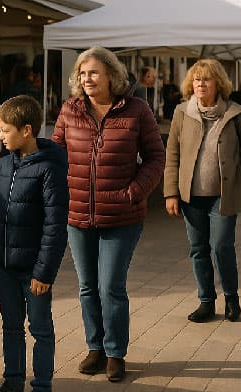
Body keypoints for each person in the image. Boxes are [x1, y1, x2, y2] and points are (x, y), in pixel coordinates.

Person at [51, 46, 165, 383]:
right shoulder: (70, 110)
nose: (87, 79)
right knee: (87, 286)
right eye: (82, 74)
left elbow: (156, 157)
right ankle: (95, 348)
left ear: (112, 75)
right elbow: (55, 154)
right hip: (77, 214)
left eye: (94, 73)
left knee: (110, 286)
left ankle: (115, 352)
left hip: (122, 215)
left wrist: (135, 192)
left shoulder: (136, 110)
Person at [0, 95, 68, 392]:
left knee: (40, 328)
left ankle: (42, 384)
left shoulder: (50, 170)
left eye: (4, 130)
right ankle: (12, 381)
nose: (0, 136)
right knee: (10, 326)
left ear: (26, 130)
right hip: (5, 266)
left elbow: (55, 226)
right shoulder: (0, 167)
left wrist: (44, 272)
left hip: (33, 271)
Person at [163, 59, 241, 323]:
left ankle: (231, 298)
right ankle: (206, 302)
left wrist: (237, 180)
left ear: (218, 82)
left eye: (206, 79)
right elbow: (172, 155)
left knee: (221, 246)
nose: (200, 84)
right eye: (196, 79)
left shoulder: (236, 113)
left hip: (222, 196)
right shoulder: (182, 113)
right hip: (191, 197)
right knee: (198, 249)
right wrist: (170, 192)